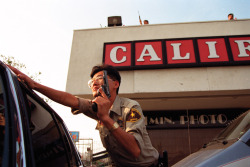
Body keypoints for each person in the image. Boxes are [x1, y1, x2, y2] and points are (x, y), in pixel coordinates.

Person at [8, 64, 159, 167]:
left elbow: (135, 150)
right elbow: (71, 100)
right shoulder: (96, 106)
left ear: (116, 84)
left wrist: (105, 118)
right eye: (92, 81)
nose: (94, 83)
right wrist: (35, 85)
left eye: (100, 78)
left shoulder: (130, 107)